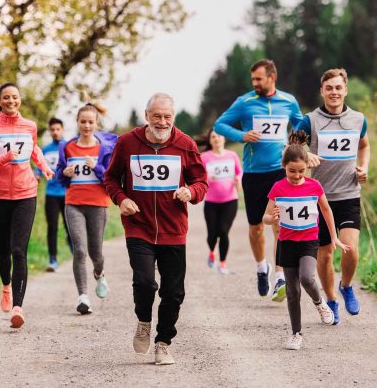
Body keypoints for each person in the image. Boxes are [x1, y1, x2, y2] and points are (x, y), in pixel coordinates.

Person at [104, 93, 207, 366]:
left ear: (173, 118)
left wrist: (191, 191)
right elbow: (111, 178)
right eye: (157, 116)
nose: (162, 122)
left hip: (174, 229)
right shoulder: (127, 142)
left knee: (174, 292)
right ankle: (144, 321)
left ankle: (163, 343)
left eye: (167, 117)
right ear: (147, 116)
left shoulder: (186, 145)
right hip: (139, 226)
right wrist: (121, 199)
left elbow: (201, 181)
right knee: (145, 282)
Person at [214, 59, 303, 301]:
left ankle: (279, 276)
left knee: (279, 224)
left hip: (279, 171)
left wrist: (294, 144)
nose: (254, 83)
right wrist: (242, 135)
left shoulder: (288, 101)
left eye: (259, 79)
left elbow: (300, 125)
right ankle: (261, 267)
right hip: (253, 173)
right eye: (252, 79)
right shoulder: (245, 102)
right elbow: (219, 125)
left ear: (272, 78)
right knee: (256, 227)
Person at [0, 82, 53, 328]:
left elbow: (33, 149)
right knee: (3, 252)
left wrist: (44, 167)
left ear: (20, 99)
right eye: (6, 98)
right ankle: (6, 286)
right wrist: (3, 159)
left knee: (19, 251)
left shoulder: (29, 126)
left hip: (25, 194)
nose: (11, 101)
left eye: (15, 97)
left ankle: (18, 308)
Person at [297, 68, 370, 325]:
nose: (334, 92)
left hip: (349, 193)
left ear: (345, 89)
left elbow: (364, 145)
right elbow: (293, 147)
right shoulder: (310, 121)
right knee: (325, 253)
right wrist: (306, 155)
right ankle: (331, 300)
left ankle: (346, 286)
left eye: (338, 88)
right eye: (329, 88)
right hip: (319, 197)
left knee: (351, 249)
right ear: (322, 91)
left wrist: (365, 167)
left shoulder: (359, 119)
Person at [263, 130, 347, 350]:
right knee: (292, 290)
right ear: (284, 167)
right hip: (287, 242)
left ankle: (320, 304)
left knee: (307, 279)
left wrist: (335, 238)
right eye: (292, 171)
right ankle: (296, 333)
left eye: (301, 171)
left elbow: (327, 211)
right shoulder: (278, 188)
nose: (297, 175)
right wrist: (272, 218)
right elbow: (265, 216)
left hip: (309, 241)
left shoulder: (314, 186)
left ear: (307, 168)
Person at [56, 102, 117, 315]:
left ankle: (99, 274)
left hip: (97, 205)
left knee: (96, 253)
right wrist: (65, 173)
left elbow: (110, 177)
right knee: (80, 250)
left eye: (91, 122)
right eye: (83, 121)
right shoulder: (68, 147)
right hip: (73, 204)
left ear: (96, 123)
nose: (87, 125)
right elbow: (59, 176)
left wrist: (97, 167)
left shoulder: (104, 148)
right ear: (77, 122)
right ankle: (83, 296)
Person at [199, 129, 242, 274]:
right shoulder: (204, 157)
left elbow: (239, 172)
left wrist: (238, 179)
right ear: (210, 140)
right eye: (213, 137)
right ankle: (212, 251)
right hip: (211, 201)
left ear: (224, 139)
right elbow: (199, 175)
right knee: (212, 234)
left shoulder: (232, 155)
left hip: (230, 200)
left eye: (219, 136)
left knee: (223, 231)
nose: (216, 139)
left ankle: (222, 264)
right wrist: (206, 179)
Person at [35, 117, 72, 272]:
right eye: (53, 130)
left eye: (58, 129)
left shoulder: (69, 147)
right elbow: (39, 167)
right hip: (51, 194)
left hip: (68, 193)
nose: (55, 132)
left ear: (62, 129)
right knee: (52, 227)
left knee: (70, 226)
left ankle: (75, 252)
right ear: (50, 131)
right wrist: (37, 175)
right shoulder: (46, 149)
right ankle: (53, 260)